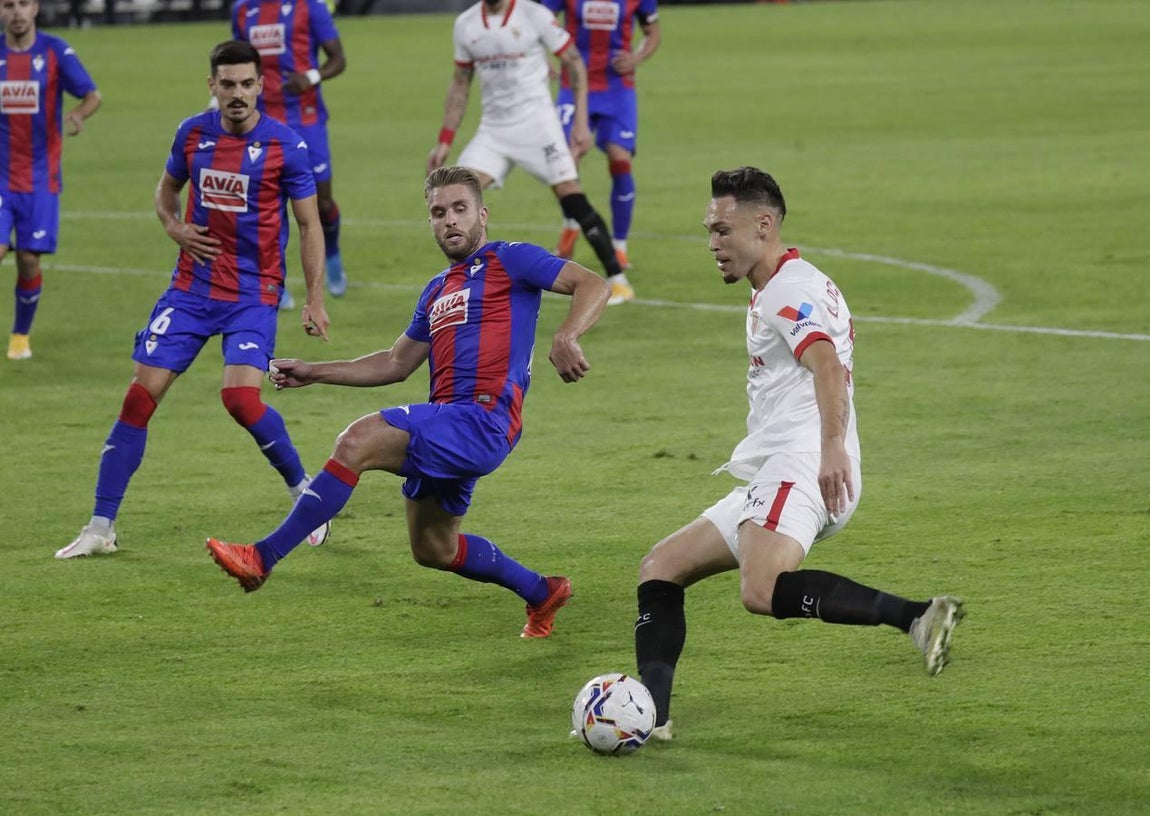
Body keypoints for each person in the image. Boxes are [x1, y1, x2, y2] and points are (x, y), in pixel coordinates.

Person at [207, 166, 610, 639]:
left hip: (483, 418)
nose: (450, 220)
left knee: (357, 441)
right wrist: (315, 372)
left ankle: (262, 557)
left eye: (460, 209)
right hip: (450, 421)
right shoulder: (437, 289)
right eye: (439, 213)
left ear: (482, 215)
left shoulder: (511, 259)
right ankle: (543, 592)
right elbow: (396, 362)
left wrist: (567, 335)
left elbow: (593, 283)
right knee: (434, 548)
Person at [633, 167, 964, 740]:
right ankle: (651, 716)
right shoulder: (791, 281)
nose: (712, 243)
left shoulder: (785, 292)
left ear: (764, 225)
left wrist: (830, 449)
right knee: (662, 567)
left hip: (804, 463)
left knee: (761, 588)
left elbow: (826, 365)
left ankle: (916, 616)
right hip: (783, 467)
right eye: (709, 231)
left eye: (723, 230)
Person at [56, 41, 331, 559]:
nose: (237, 94)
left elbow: (309, 224)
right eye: (227, 84)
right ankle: (100, 527)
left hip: (252, 292)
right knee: (138, 398)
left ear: (260, 85)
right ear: (212, 86)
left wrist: (314, 298)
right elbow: (166, 190)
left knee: (240, 400)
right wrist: (174, 226)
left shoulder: (286, 146)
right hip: (191, 289)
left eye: (246, 84)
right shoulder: (192, 134)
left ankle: (305, 493)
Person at [427, 0, 634, 306]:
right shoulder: (466, 24)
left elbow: (574, 61)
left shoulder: (534, 15)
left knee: (570, 195)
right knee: (457, 197)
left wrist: (580, 120)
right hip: (494, 131)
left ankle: (618, 280)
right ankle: (471, 282)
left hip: (539, 128)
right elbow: (460, 82)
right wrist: (445, 139)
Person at [1, 0, 100, 361]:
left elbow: (92, 94)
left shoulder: (55, 51)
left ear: (35, 8)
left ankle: (20, 334)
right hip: (1, 176)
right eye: (8, 5)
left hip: (41, 177)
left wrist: (79, 113)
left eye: (22, 4)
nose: (16, 12)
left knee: (29, 259)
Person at [232, 0, 348, 303]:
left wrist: (310, 77)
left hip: (306, 119)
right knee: (266, 204)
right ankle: (272, 279)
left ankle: (332, 253)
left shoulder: (310, 7)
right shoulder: (242, 10)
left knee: (322, 203)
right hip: (261, 122)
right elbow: (236, 64)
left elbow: (338, 59)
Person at [542, 0, 661, 273]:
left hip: (617, 88)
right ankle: (570, 228)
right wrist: (541, 59)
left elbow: (653, 32)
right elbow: (539, 20)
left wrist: (636, 58)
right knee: (566, 159)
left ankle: (619, 246)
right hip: (573, 84)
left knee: (620, 160)